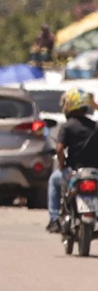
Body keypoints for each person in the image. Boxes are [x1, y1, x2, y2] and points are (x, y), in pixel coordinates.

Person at [48, 88, 98, 233]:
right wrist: (94, 104)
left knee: (54, 180)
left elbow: (59, 149)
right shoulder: (95, 126)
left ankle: (54, 219)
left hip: (73, 173)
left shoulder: (68, 126)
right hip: (94, 173)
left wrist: (62, 165)